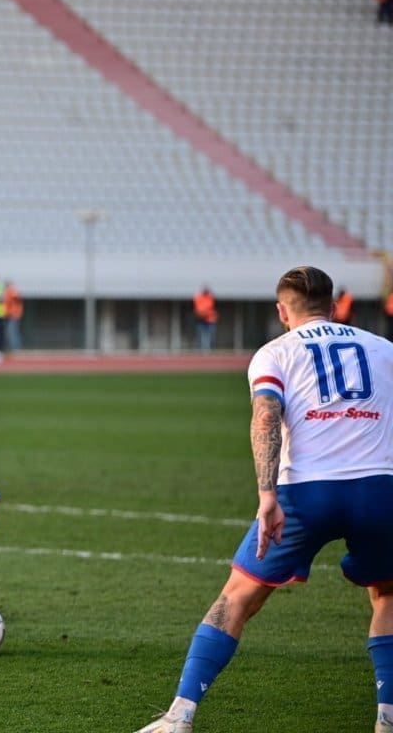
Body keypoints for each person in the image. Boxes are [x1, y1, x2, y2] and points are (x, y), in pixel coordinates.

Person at [132, 266, 393, 733]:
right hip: (380, 488)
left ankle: (180, 715)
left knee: (236, 597)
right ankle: (387, 716)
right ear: (334, 306)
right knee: (388, 593)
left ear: (281, 311)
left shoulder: (276, 351)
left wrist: (266, 495)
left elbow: (266, 417)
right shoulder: (384, 349)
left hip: (304, 493)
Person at [193, 286, 218, 351]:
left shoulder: (210, 298)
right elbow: (199, 309)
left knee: (210, 336)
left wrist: (205, 313)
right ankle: (200, 349)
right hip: (201, 320)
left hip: (209, 321)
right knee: (200, 336)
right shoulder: (199, 298)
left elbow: (209, 307)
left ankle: (209, 349)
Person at [4, 281, 23, 354]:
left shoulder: (12, 291)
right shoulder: (9, 292)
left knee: (12, 332)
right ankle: (14, 348)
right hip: (10, 315)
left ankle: (15, 349)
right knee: (12, 332)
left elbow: (17, 299)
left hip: (13, 315)